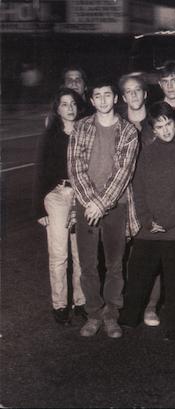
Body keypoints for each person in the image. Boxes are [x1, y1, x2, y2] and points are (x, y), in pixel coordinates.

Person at [118, 102, 175, 341]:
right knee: (138, 275)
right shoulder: (147, 153)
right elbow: (138, 189)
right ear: (153, 129)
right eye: (160, 127)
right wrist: (147, 220)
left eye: (169, 124)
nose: (166, 130)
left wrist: (166, 222)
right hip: (149, 227)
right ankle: (129, 317)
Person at [68, 78, 140, 338]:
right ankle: (93, 314)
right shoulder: (81, 127)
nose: (102, 100)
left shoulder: (129, 131)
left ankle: (111, 315)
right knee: (88, 265)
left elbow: (124, 172)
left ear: (116, 98)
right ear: (91, 100)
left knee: (114, 264)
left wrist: (102, 203)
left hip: (116, 205)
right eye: (97, 95)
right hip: (86, 205)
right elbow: (75, 168)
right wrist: (91, 203)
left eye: (107, 94)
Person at [35, 88, 87, 325]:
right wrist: (39, 209)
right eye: (64, 104)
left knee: (81, 253)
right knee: (59, 254)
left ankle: (81, 301)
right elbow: (40, 171)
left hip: (81, 194)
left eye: (73, 103)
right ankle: (59, 304)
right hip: (57, 194)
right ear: (57, 108)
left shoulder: (85, 132)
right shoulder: (50, 136)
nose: (70, 108)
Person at [118, 73, 161, 327]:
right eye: (128, 91)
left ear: (145, 94)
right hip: (124, 196)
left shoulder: (155, 122)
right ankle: (129, 301)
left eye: (138, 90)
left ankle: (151, 306)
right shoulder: (117, 123)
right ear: (123, 97)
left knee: (152, 250)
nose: (133, 95)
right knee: (125, 253)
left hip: (151, 196)